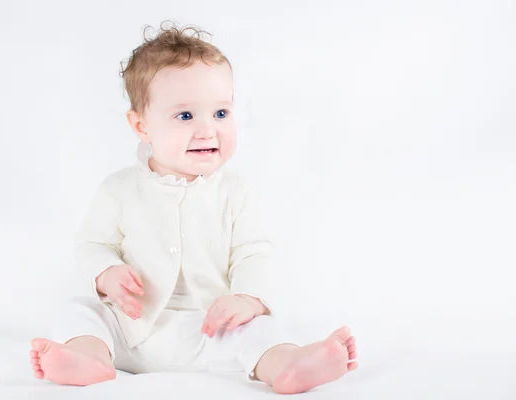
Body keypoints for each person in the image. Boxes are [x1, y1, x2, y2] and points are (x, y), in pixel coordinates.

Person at [29, 22, 358, 394]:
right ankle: (89, 357)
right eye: (185, 116)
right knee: (78, 309)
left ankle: (287, 365)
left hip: (214, 331)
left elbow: (254, 251)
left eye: (220, 113)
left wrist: (246, 298)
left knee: (262, 328)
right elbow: (92, 244)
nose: (207, 130)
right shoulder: (120, 189)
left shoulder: (235, 191)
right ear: (141, 125)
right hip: (131, 330)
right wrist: (107, 272)